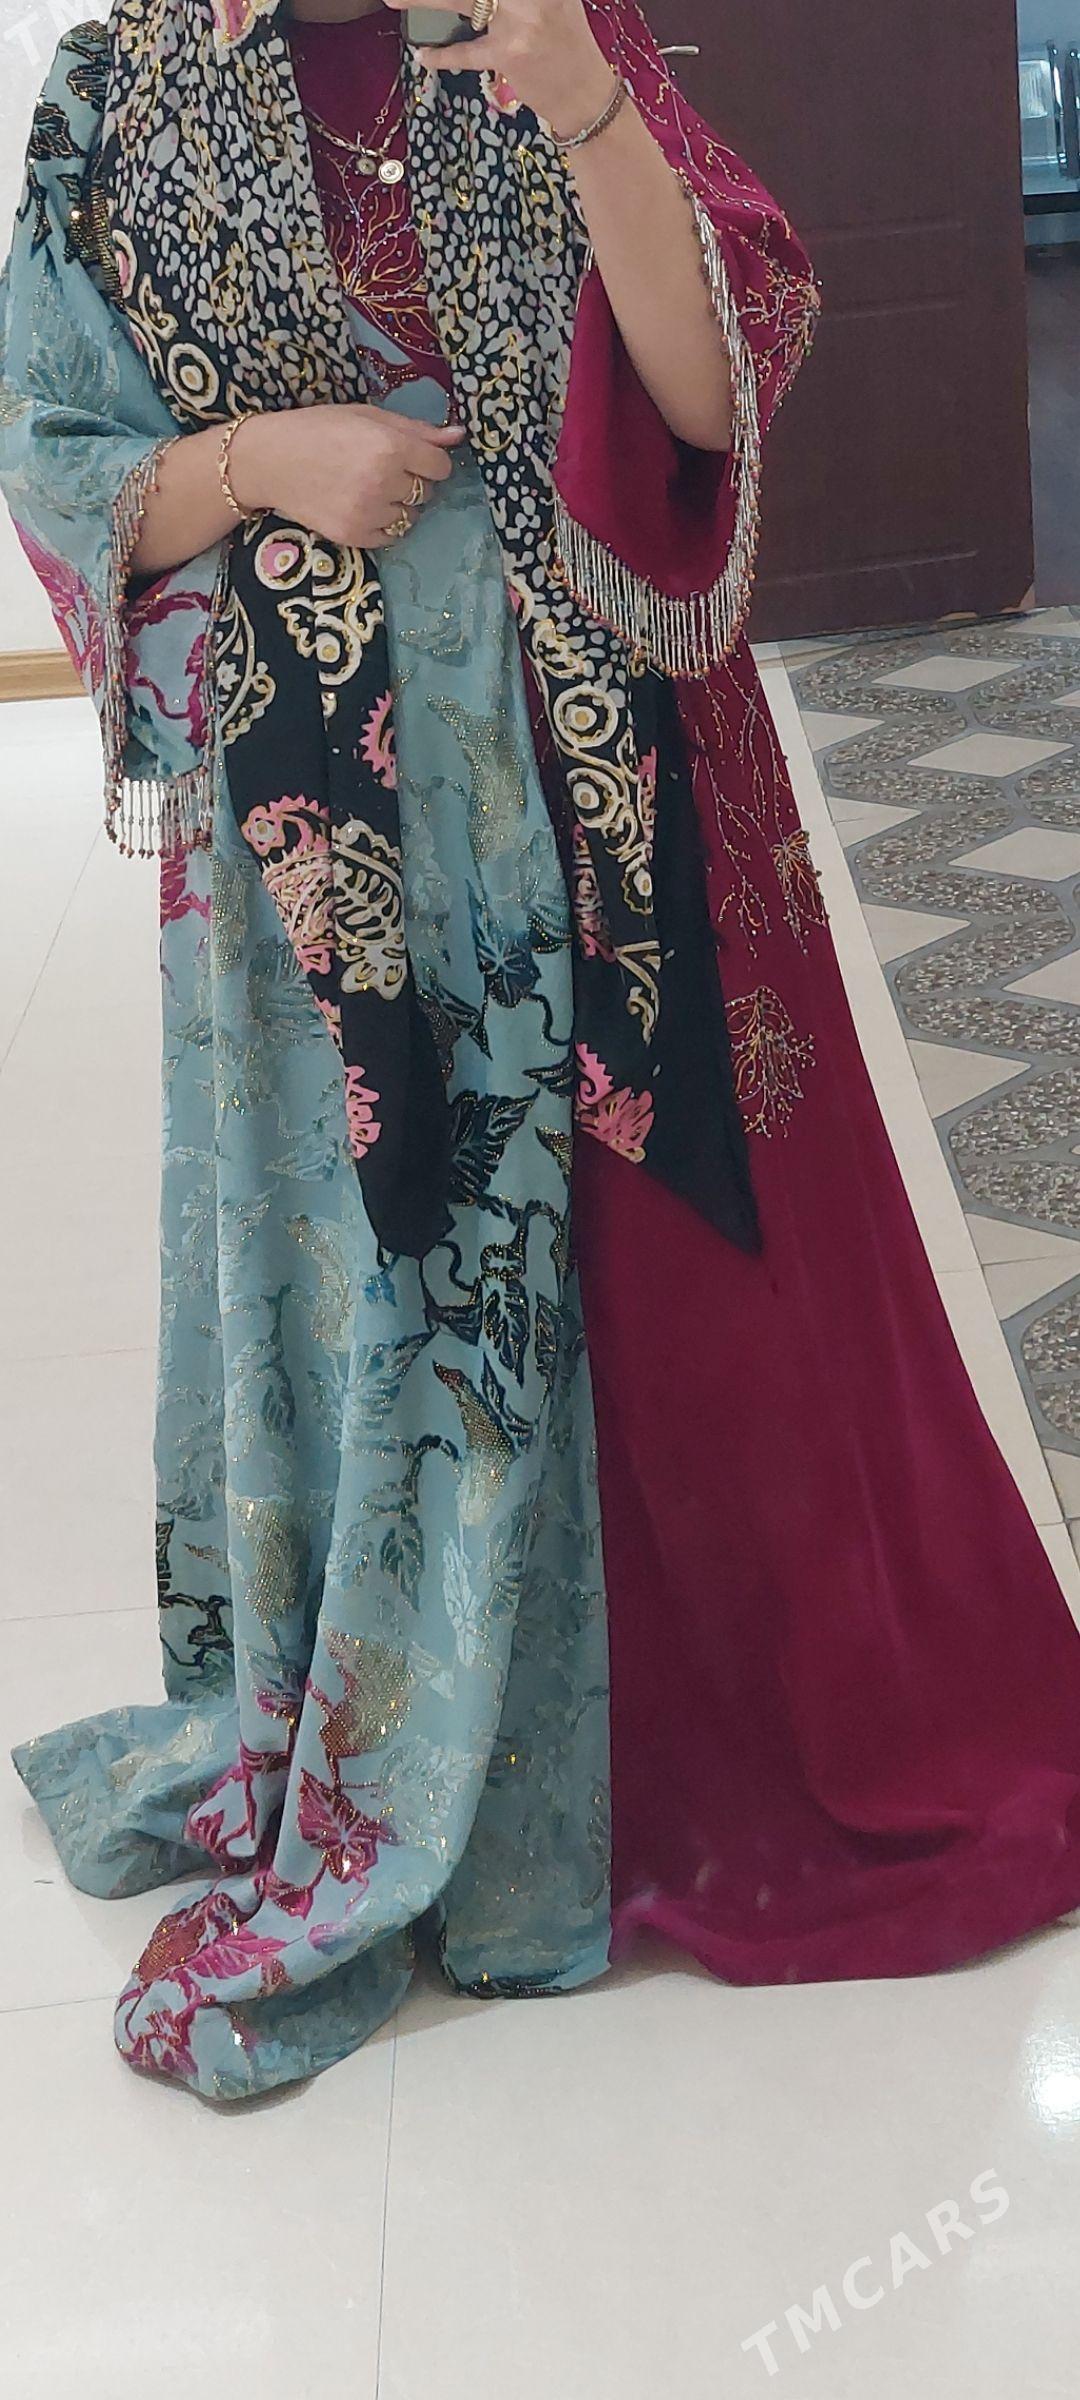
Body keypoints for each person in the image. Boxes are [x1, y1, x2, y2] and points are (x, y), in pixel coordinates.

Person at [4, 0, 1080, 2107]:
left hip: (607, 774)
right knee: (372, 1267)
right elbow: (56, 448)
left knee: (695, 1294)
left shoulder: (544, 37)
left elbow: (709, 392)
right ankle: (410, 1730)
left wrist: (581, 97)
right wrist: (260, 464)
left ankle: (681, 1753)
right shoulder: (118, 92)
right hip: (317, 836)